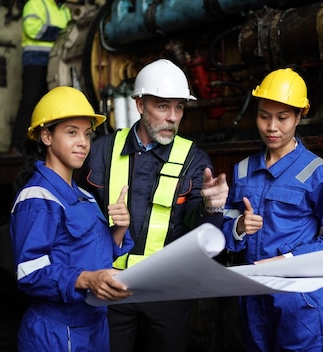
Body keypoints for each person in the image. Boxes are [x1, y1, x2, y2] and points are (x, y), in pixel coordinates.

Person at [80, 58, 229, 352]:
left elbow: (204, 238)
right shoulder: (102, 152)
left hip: (167, 295)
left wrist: (211, 209)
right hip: (112, 290)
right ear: (139, 104)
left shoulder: (194, 160)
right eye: (163, 106)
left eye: (179, 107)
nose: (172, 117)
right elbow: (78, 222)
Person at [221, 68, 323, 352]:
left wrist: (287, 260)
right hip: (253, 294)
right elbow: (227, 233)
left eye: (282, 118)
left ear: (298, 117)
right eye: (264, 116)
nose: (272, 127)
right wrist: (240, 226)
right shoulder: (242, 170)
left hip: (297, 298)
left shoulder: (317, 172)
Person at [10, 86, 134, 351]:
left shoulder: (85, 197)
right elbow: (29, 272)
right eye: (71, 132)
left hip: (93, 327)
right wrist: (88, 280)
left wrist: (120, 228)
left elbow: (96, 256)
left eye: (87, 134)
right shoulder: (38, 197)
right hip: (57, 333)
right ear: (46, 136)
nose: (83, 143)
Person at [9, 0, 71, 156]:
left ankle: (35, 149)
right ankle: (16, 147)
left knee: (49, 107)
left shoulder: (65, 10)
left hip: (56, 63)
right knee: (30, 103)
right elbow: (33, 29)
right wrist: (60, 33)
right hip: (36, 62)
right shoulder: (34, 3)